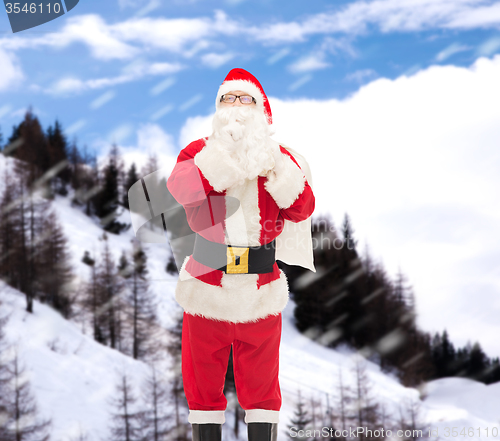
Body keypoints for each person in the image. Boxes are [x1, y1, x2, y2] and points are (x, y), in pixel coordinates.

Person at [167, 68, 315, 441]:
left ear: (263, 110)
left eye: (245, 99)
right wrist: (221, 157)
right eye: (228, 100)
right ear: (217, 109)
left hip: (259, 291)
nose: (236, 107)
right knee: (201, 387)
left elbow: (302, 209)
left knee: (263, 390)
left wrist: (278, 170)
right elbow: (181, 189)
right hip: (207, 286)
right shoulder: (198, 152)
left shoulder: (282, 159)